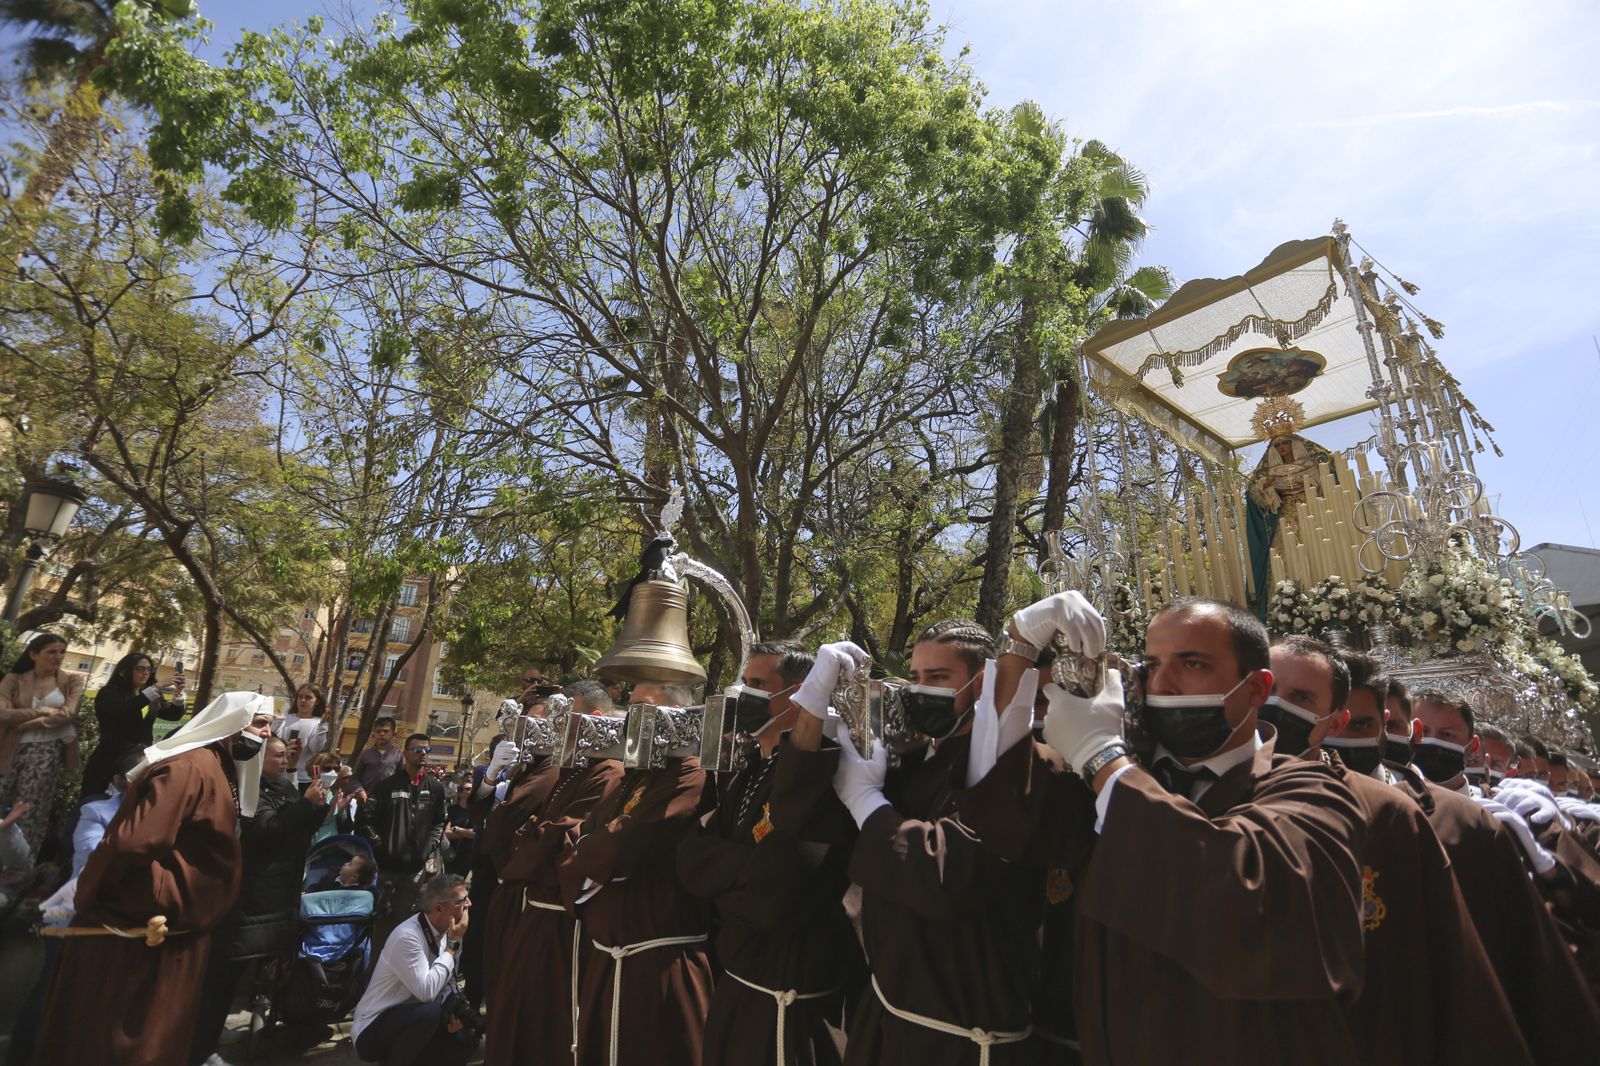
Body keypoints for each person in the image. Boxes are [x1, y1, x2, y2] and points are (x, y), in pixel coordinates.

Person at [962, 594, 1369, 1064]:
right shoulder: (1109, 785)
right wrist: (1019, 647)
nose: (1163, 683)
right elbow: (1001, 808)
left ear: (1257, 690)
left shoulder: (1311, 790)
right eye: (1152, 664)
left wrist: (1102, 756)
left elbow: (1243, 901)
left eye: (1192, 664)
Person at [779, 621, 1048, 1066]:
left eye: (938, 677)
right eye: (916, 676)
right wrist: (812, 703)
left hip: (961, 1042)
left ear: (981, 681)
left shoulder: (1010, 769)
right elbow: (798, 816)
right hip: (885, 1020)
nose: (921, 689)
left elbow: (943, 879)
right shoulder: (916, 762)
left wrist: (867, 801)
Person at [1264, 636, 1531, 1065]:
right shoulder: (1212, 802)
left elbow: (1494, 979)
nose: (1282, 712)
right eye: (1274, 693)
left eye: (1366, 727)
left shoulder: (1422, 821)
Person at [1333, 651, 1600, 1061]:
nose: (1345, 739)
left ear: (1401, 733)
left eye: (1370, 724)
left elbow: (1540, 959)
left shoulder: (1480, 820)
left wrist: (1545, 862)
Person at [30, 691, 272, 1066]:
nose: (267, 734)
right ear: (231, 721)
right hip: (134, 937)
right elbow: (133, 843)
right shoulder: (188, 768)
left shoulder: (217, 768)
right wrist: (90, 899)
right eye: (260, 723)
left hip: (172, 938)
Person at [678, 640, 860, 1066]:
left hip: (789, 1010)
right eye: (745, 683)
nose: (745, 694)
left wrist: (724, 869)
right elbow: (689, 861)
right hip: (737, 990)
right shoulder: (750, 772)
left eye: (758, 683)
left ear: (798, 695)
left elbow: (772, 895)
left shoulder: (824, 780)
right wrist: (740, 871)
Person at [556, 679, 714, 1066]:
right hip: (609, 959)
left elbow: (622, 845)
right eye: (633, 706)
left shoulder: (690, 777)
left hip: (658, 970)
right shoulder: (634, 777)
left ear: (676, 716)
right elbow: (587, 834)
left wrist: (591, 848)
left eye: (644, 706)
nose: (632, 716)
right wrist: (592, 846)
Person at [484, 693, 628, 1066]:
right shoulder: (570, 772)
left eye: (566, 717)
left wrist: (533, 837)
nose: (555, 728)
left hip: (559, 921)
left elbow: (562, 839)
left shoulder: (608, 771)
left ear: (595, 717)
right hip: (533, 907)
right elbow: (522, 832)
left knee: (548, 1023)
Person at [189, 734, 330, 1066]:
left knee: (267, 979)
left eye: (285, 756)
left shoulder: (283, 786)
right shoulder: (249, 790)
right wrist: (304, 805)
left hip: (280, 899)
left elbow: (301, 827)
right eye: (278, 756)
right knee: (223, 982)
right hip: (255, 899)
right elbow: (266, 831)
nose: (284, 761)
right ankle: (199, 1047)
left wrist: (319, 807)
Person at [351, 873, 478, 1066]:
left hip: (411, 1019)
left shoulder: (448, 933)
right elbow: (426, 992)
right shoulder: (408, 937)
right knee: (430, 1013)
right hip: (372, 1029)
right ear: (439, 908)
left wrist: (456, 1010)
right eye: (462, 900)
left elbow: (448, 982)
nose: (469, 904)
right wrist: (452, 946)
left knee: (464, 1038)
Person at [0, 633, 87, 861]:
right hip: (9, 749)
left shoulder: (72, 681)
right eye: (52, 652)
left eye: (62, 652)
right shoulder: (14, 679)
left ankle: (19, 870)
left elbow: (68, 714)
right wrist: (42, 711)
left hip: (45, 754)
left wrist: (24, 723)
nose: (58, 657)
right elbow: (2, 714)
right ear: (33, 654)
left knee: (29, 811)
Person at [360, 732, 447, 943]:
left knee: (409, 925)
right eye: (418, 750)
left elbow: (439, 823)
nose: (423, 754)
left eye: (427, 750)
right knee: (380, 925)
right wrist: (380, 846)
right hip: (386, 870)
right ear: (406, 753)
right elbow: (365, 821)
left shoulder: (436, 789)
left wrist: (427, 849)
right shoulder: (386, 786)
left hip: (416, 872)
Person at [80, 652, 186, 797]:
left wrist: (178, 694)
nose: (145, 673)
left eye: (148, 669)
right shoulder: (108, 693)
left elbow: (173, 715)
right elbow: (126, 710)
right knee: (96, 805)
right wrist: (157, 687)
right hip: (109, 763)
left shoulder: (148, 695)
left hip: (138, 762)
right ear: (124, 671)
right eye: (140, 669)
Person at [275, 683, 331, 788]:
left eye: (308, 697)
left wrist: (322, 727)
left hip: (303, 779)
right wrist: (278, 722)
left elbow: (316, 749)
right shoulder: (285, 718)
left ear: (317, 701)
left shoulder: (318, 723)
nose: (303, 700)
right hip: (278, 775)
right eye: (300, 696)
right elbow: (274, 741)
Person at [355, 716, 404, 792]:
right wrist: (360, 790)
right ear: (373, 735)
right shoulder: (365, 754)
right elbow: (354, 778)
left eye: (385, 731)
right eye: (378, 731)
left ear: (394, 734)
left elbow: (401, 778)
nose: (381, 734)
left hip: (389, 799)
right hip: (367, 798)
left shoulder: (399, 754)